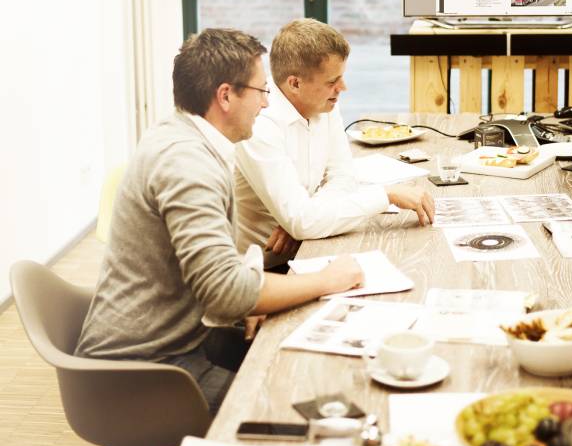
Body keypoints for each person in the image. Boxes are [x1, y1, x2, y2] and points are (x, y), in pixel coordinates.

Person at [75, 28, 364, 414]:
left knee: (310, 365)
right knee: (291, 410)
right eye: (262, 92)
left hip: (181, 336)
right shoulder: (187, 165)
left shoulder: (186, 138)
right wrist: (329, 279)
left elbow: (218, 279)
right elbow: (224, 292)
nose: (266, 105)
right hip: (144, 368)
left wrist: (248, 293)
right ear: (226, 95)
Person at [234, 19, 434, 267]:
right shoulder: (259, 125)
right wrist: (385, 195)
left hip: (317, 245)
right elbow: (303, 222)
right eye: (332, 82)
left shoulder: (324, 105)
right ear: (295, 83)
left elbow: (343, 178)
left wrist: (305, 219)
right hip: (264, 271)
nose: (343, 88)